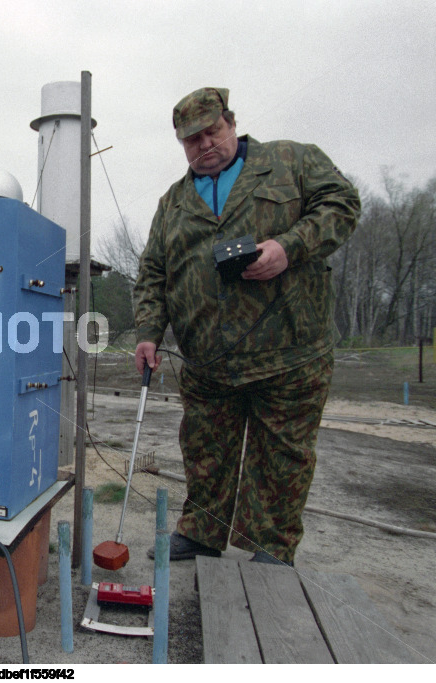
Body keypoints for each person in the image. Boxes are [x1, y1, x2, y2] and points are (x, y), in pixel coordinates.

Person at [133, 87, 360, 566]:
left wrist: (289, 246)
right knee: (205, 450)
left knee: (282, 455)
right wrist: (150, 332)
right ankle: (201, 532)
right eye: (191, 140)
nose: (204, 145)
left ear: (231, 123)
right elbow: (153, 271)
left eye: (212, 131)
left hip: (290, 352)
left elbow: (342, 204)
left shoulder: (291, 161)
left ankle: (270, 545)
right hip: (209, 362)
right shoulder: (172, 203)